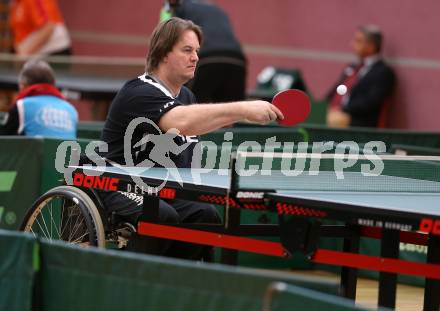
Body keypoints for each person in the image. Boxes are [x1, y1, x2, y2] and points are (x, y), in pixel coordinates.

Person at [99, 17, 283, 260]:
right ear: (164, 53)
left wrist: (246, 116)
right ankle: (135, 282)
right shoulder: (138, 92)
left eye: (196, 51)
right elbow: (180, 122)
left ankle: (177, 280)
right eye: (187, 50)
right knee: (162, 216)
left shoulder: (186, 96)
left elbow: (196, 121)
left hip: (159, 189)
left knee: (204, 215)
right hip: (116, 184)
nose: (195, 57)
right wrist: (244, 109)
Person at [160, 0, 247, 103]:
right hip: (237, 59)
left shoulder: (179, 7)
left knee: (189, 107)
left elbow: (167, 39)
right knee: (233, 113)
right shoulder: (216, 9)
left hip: (207, 57)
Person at [326, 25, 396, 128]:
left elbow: (370, 102)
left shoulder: (383, 72)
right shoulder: (352, 67)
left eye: (358, 41)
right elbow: (335, 90)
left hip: (359, 122)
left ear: (371, 45)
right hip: (337, 114)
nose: (352, 44)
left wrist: (343, 109)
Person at [0, 59, 77, 138]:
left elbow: (4, 142)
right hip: (66, 150)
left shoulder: (21, 106)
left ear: (23, 85)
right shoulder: (71, 109)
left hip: (35, 150)